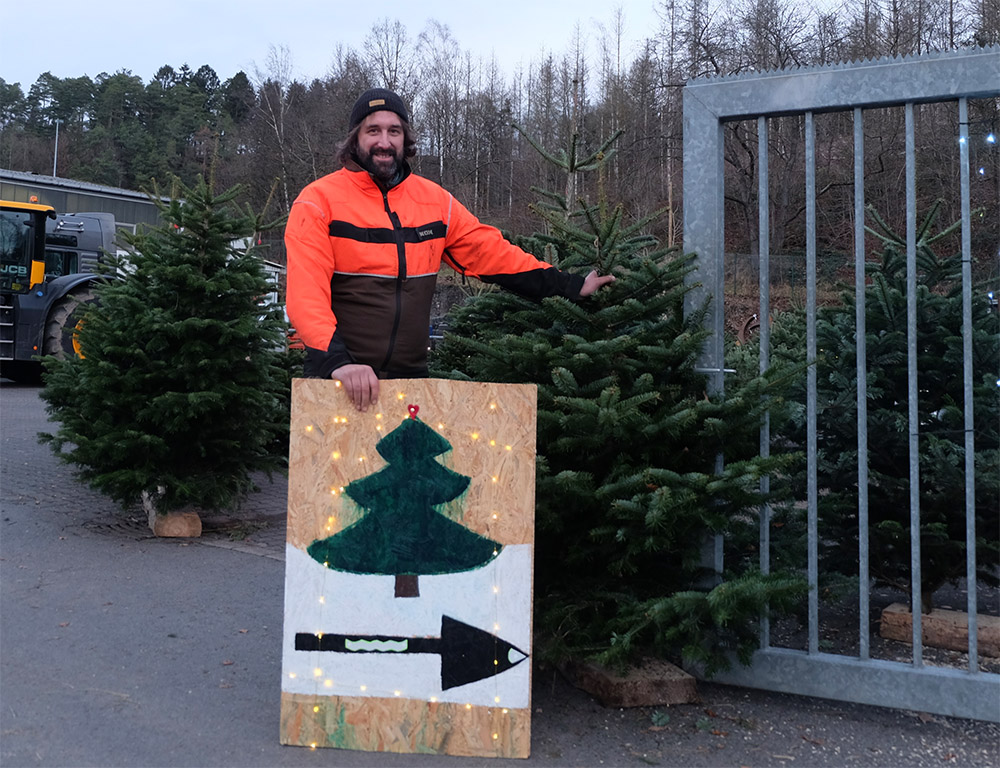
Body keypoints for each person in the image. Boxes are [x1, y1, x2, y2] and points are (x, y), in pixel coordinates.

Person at [285, 87, 615, 411]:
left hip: (409, 385)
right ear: (355, 138)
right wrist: (338, 362)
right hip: (338, 382)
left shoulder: (435, 203)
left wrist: (572, 285)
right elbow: (305, 295)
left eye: (394, 131)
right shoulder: (318, 203)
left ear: (405, 139)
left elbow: (492, 253)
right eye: (373, 130)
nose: (384, 142)